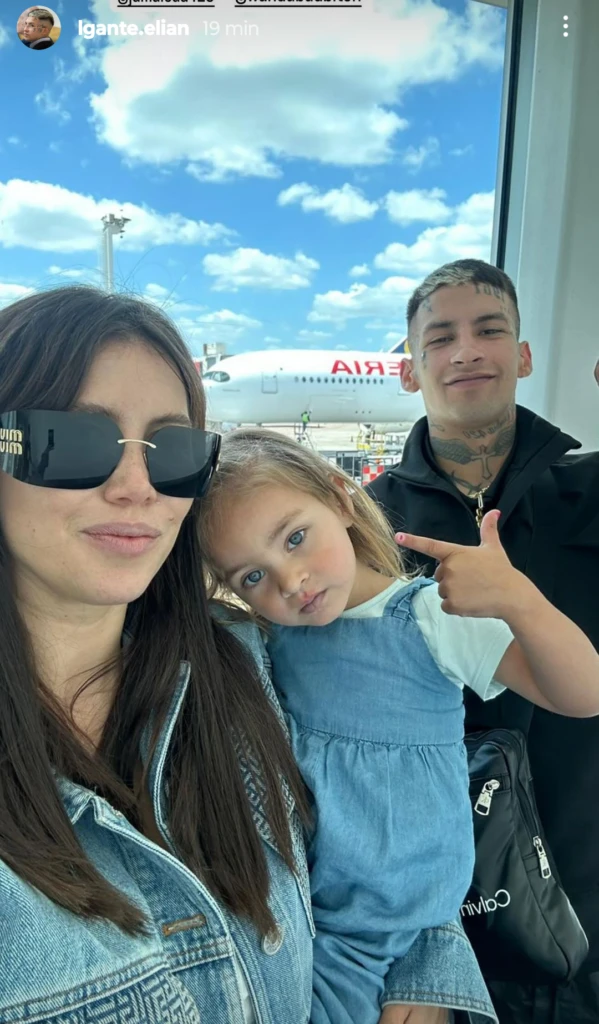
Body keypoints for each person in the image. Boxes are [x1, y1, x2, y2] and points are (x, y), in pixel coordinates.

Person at [0, 285, 495, 1024]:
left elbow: (396, 813)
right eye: (71, 442)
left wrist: (425, 966)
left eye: (171, 451)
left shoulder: (250, 657)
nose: (136, 487)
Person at [197, 427, 599, 1024]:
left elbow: (583, 693)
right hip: (310, 920)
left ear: (341, 498)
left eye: (295, 538)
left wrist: (519, 599)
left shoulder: (431, 616)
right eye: (251, 577)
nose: (290, 580)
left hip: (402, 925)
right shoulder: (269, 644)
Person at [366, 258, 599, 1024]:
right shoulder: (362, 528)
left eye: (489, 330)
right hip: (434, 923)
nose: (465, 350)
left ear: (522, 356)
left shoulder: (591, 494)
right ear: (409, 370)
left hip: (585, 900)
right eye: (440, 337)